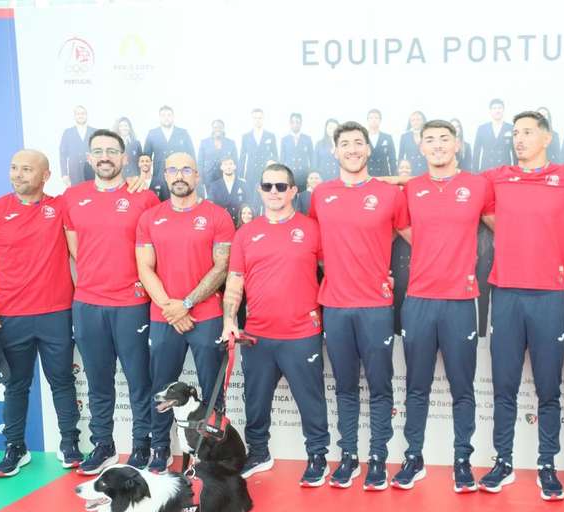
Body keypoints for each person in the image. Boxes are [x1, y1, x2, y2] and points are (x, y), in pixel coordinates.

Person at [478, 110, 564, 500]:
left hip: (549, 295)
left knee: (547, 387)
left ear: (547, 137)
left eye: (527, 132)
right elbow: (482, 208)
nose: (519, 139)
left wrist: (558, 242)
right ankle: (503, 461)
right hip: (506, 292)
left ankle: (547, 465)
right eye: (515, 133)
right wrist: (512, 229)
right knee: (504, 385)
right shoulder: (497, 178)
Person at [390, 120, 494, 492]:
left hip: (462, 302)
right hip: (418, 301)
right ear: (421, 148)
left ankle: (462, 461)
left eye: (444, 139)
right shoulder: (411, 189)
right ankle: (413, 458)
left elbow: (501, 225)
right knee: (416, 387)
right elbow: (408, 233)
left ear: (458, 145)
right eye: (429, 140)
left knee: (462, 388)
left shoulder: (478, 185)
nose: (437, 145)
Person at [308, 121, 410, 490]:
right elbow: (315, 248)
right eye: (345, 144)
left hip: (375, 306)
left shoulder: (389, 195)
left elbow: (414, 238)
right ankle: (348, 457)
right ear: (334, 151)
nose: (352, 149)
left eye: (358, 143)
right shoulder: (321, 194)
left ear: (368, 149)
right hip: (335, 305)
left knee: (381, 387)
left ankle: (378, 459)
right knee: (346, 386)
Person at [222, 163, 330, 483]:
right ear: (259, 190)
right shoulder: (246, 234)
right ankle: (258, 452)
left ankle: (317, 456)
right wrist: (230, 319)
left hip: (301, 333)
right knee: (254, 401)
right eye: (267, 186)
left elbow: (335, 270)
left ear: (294, 191)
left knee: (311, 400)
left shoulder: (312, 229)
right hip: (257, 335)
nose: (274, 192)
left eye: (281, 186)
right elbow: (234, 281)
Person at [0, 149, 80, 476]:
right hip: (11, 316)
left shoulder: (60, 207)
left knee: (62, 382)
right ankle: (15, 448)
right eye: (14, 167)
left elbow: (96, 194)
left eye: (27, 169)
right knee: (16, 386)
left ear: (45, 175)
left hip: (57, 314)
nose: (18, 175)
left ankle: (70, 444)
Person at [61, 129, 159, 475]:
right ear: (89, 158)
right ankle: (102, 445)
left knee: (138, 380)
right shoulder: (73, 197)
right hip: (88, 303)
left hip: (131, 303)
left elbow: (154, 250)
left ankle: (143, 443)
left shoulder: (144, 197)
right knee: (98, 379)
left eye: (112, 151)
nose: (105, 156)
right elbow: (75, 249)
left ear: (124, 158)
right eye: (98, 151)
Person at [136, 152, 235, 473]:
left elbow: (222, 267)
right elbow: (145, 267)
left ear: (197, 176)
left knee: (212, 392)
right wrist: (171, 307)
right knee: (161, 389)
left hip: (205, 317)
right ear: (165, 175)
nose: (180, 175)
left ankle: (211, 453)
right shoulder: (150, 217)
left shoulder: (217, 216)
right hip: (164, 317)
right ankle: (160, 449)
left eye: (187, 170)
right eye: (173, 170)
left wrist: (187, 304)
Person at [144, 106, 195, 201]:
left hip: (179, 175)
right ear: (159, 118)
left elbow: (191, 156)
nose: (166, 117)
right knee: (158, 204)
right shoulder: (152, 133)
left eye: (169, 115)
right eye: (163, 115)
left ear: (173, 117)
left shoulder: (183, 133)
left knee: (179, 203)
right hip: (158, 176)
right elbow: (146, 157)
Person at [238, 108, 278, 195]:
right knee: (251, 198)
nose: (257, 120)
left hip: (266, 172)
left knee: (266, 197)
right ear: (252, 119)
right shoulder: (246, 136)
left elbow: (275, 156)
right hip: (251, 173)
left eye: (260, 118)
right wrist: (240, 176)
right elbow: (242, 157)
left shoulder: (270, 136)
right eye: (255, 118)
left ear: (263, 119)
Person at [207, 155, 250, 226]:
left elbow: (249, 205)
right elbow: (210, 208)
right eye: (225, 164)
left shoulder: (243, 184)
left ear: (235, 166)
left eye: (231, 164)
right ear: (221, 167)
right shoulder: (214, 186)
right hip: (222, 225)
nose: (228, 167)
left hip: (240, 224)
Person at [59, 105, 96, 187]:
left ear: (86, 115)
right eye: (78, 114)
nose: (81, 116)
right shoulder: (67, 132)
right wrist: (64, 174)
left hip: (92, 171)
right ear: (75, 116)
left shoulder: (95, 132)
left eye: (83, 113)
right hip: (74, 172)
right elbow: (63, 155)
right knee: (77, 196)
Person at [473, 99, 514, 172]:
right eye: (494, 108)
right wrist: (475, 172)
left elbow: (515, 152)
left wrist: (515, 171)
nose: (497, 110)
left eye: (499, 108)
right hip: (486, 169)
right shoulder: (482, 128)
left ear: (503, 110)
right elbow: (476, 152)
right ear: (490, 111)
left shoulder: (511, 128)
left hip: (505, 170)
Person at [197, 119, 238, 191]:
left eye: (220, 127)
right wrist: (201, 179)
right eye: (215, 127)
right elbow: (200, 163)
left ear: (223, 129)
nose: (217, 129)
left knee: (224, 200)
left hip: (226, 176)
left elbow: (236, 162)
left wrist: (236, 178)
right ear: (212, 129)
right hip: (209, 177)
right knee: (211, 200)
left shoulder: (231, 143)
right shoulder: (204, 142)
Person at [280, 113, 315, 192]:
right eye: (293, 122)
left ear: (301, 123)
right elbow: (282, 159)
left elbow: (312, 158)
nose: (295, 124)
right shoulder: (284, 140)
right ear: (290, 124)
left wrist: (311, 175)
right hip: (290, 175)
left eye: (297, 122)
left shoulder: (307, 139)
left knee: (303, 199)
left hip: (304, 175)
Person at [367, 108, 397, 177]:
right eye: (371, 118)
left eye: (376, 118)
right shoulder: (363, 137)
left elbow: (392, 159)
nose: (373, 120)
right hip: (367, 175)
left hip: (384, 174)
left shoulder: (387, 137)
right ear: (367, 120)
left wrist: (394, 176)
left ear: (380, 120)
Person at [398, 110, 428, 176]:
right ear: (410, 122)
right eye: (413, 120)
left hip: (426, 170)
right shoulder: (404, 137)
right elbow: (401, 156)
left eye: (418, 119)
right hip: (410, 171)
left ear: (423, 121)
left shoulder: (428, 135)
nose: (415, 122)